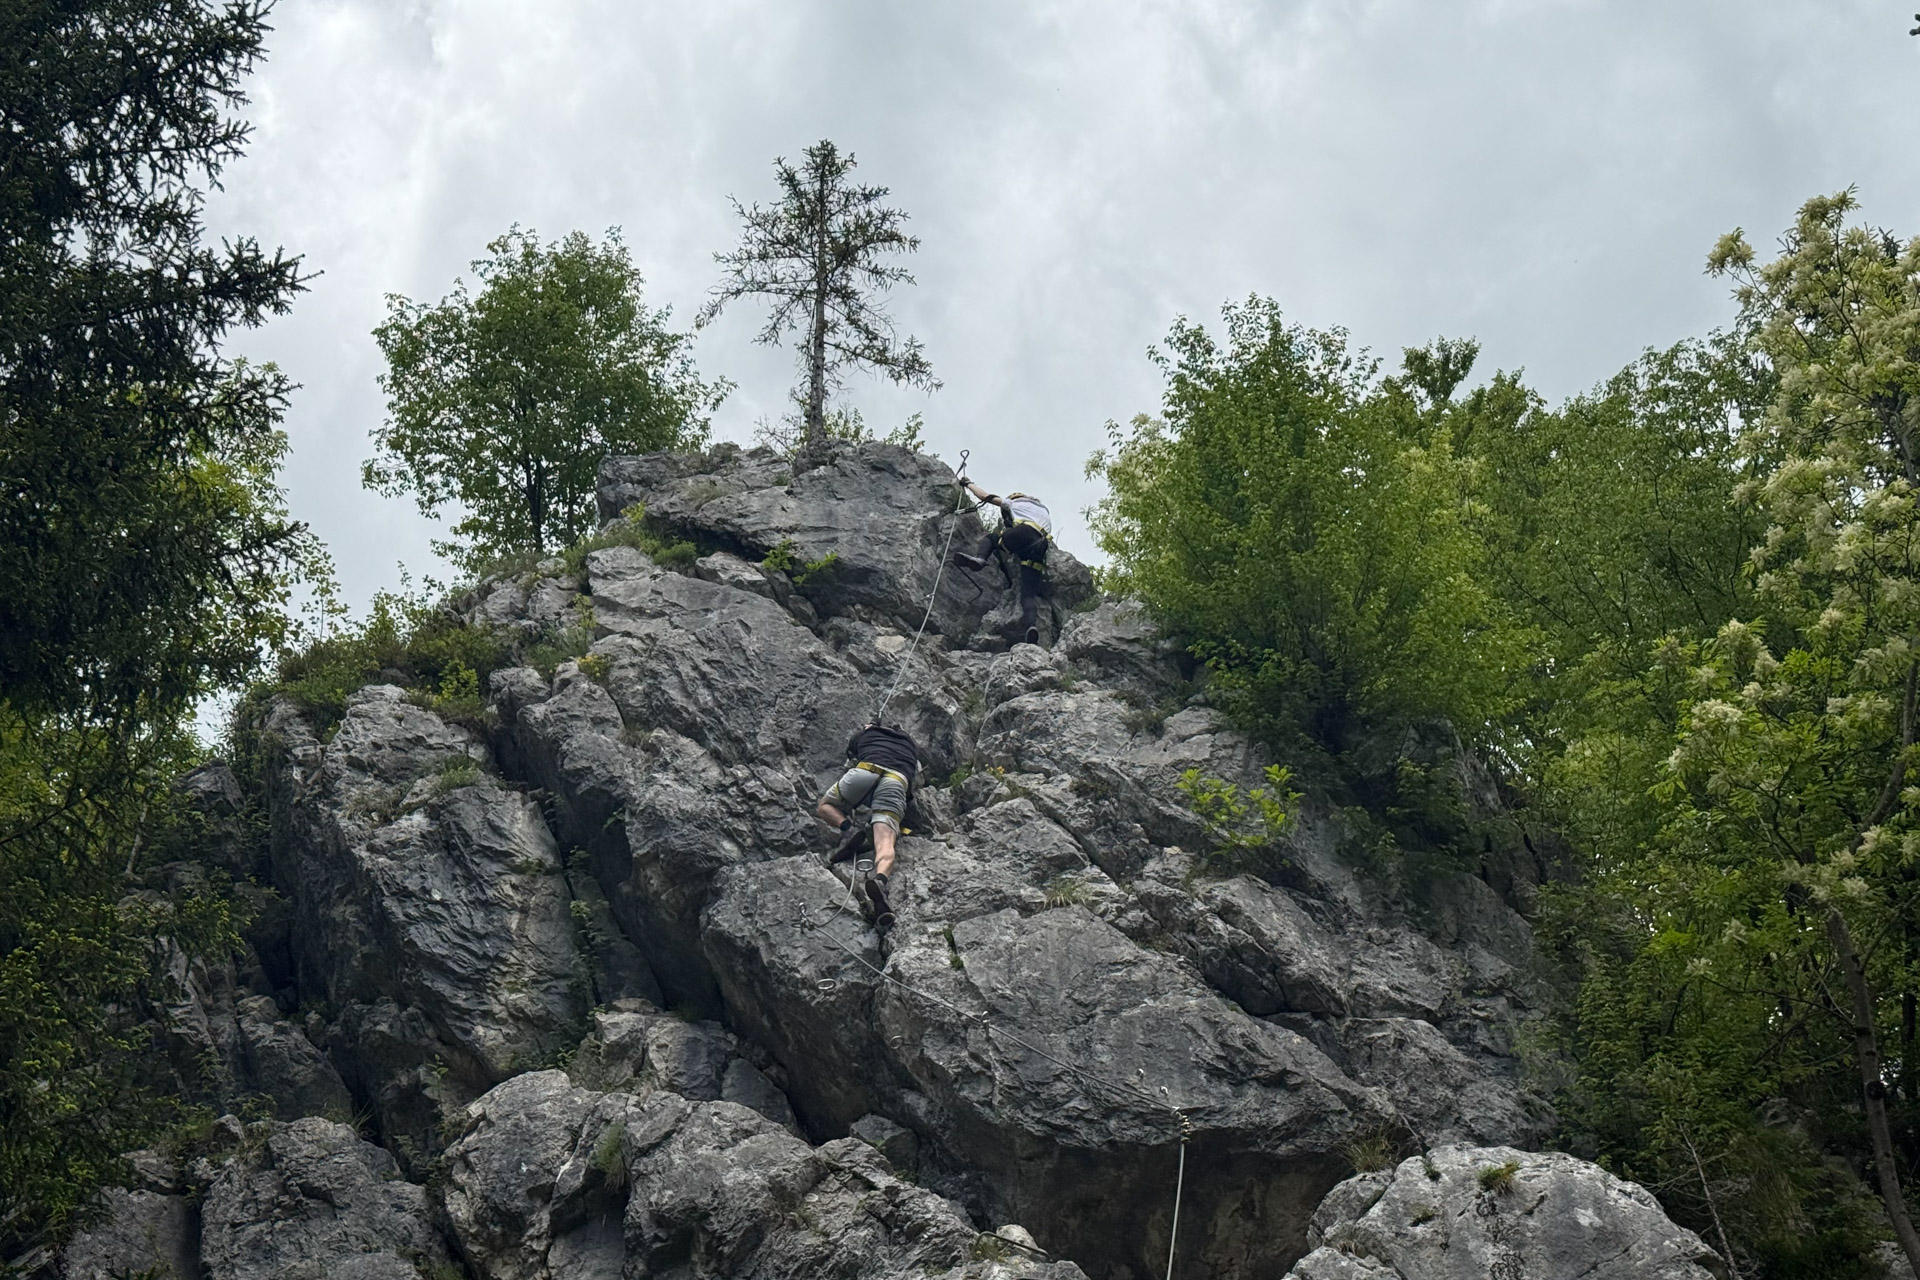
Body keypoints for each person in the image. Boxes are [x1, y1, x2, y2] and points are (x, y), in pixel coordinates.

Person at [815, 721, 921, 929]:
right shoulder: (909, 744)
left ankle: (849, 829)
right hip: (896, 781)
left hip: (865, 770)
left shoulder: (867, 733)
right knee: (885, 843)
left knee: (825, 806)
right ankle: (880, 880)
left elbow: (852, 750)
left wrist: (866, 729)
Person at [954, 482, 1052, 645]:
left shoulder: (1015, 503)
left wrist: (969, 484)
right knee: (1028, 595)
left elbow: (984, 497)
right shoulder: (1043, 510)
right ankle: (1031, 627)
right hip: (1040, 546)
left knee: (992, 539)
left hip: (1022, 533)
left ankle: (980, 559)